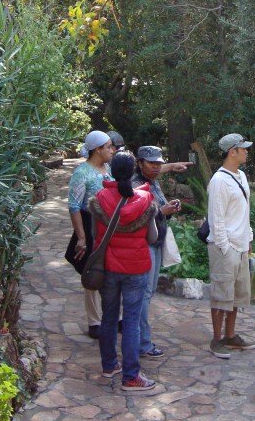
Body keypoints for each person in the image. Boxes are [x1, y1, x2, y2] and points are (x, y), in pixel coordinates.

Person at [89, 151, 158, 390]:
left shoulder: (99, 199)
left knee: (108, 316)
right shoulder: (145, 200)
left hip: (108, 267)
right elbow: (152, 237)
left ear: (111, 171)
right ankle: (131, 376)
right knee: (131, 321)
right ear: (133, 171)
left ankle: (109, 365)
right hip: (136, 268)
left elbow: (95, 235)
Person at [207, 133, 255, 359]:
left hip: (240, 245)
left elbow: (244, 212)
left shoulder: (241, 176)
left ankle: (230, 335)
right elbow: (216, 218)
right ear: (232, 152)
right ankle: (216, 339)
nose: (246, 151)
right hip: (224, 247)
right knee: (221, 295)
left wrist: (248, 239)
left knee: (236, 295)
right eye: (243, 148)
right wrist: (225, 247)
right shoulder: (219, 181)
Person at [132, 146, 182, 359]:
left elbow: (158, 211)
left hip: (156, 242)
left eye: (158, 163)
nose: (156, 167)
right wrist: (162, 211)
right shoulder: (135, 185)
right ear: (140, 163)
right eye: (151, 163)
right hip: (144, 244)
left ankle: (139, 339)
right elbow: (136, 216)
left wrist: (168, 210)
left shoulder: (154, 182)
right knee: (143, 294)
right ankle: (142, 342)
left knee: (149, 292)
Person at [68, 130, 115, 338]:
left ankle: (115, 316)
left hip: (110, 226)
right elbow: (74, 206)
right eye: (108, 147)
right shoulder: (82, 173)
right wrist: (81, 237)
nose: (112, 151)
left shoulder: (109, 169)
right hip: (91, 225)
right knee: (92, 271)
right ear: (98, 149)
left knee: (112, 271)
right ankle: (94, 321)